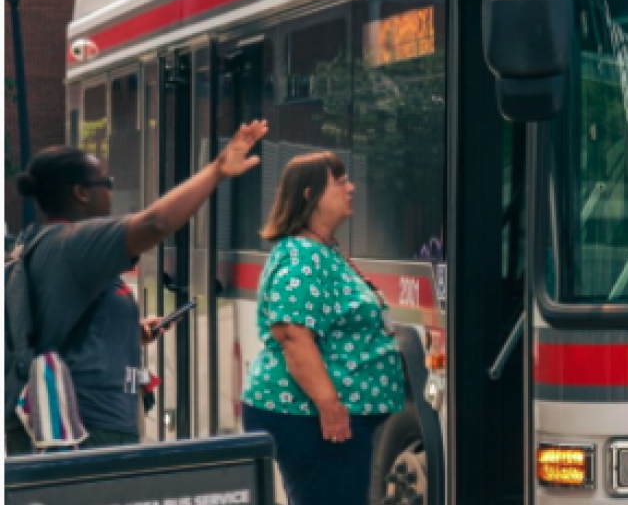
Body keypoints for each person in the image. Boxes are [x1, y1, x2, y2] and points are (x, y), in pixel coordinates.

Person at [6, 121, 269, 454]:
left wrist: (131, 331)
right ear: (81, 193)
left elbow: (63, 322)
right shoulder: (73, 243)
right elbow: (154, 223)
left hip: (92, 425)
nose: (111, 191)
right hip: (87, 432)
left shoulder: (52, 246)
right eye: (107, 182)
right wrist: (217, 171)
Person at [241, 152, 403, 505]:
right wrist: (331, 408)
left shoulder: (323, 250)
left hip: (323, 419)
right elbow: (293, 337)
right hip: (311, 418)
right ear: (309, 193)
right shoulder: (301, 256)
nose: (351, 187)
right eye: (340, 181)